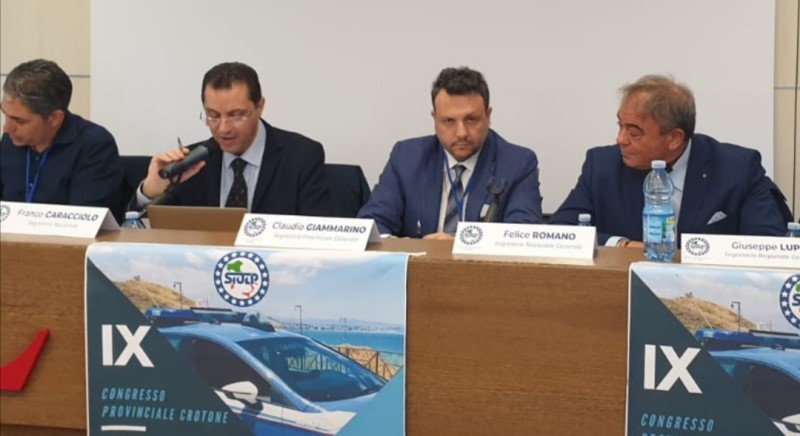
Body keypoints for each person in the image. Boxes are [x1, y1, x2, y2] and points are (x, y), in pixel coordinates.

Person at [549, 74, 790, 247]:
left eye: (633, 132)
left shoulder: (737, 169)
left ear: (674, 138)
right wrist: (621, 245)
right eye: (620, 126)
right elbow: (560, 232)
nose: (620, 139)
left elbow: (769, 247)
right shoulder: (602, 166)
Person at [357, 66, 543, 239]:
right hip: (419, 263)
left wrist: (460, 244)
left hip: (481, 265)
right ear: (434, 119)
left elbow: (522, 235)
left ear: (488, 116)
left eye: (471, 119)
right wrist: (406, 248)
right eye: (449, 121)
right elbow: (373, 222)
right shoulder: (406, 157)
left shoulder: (517, 164)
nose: (461, 133)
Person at [137, 62, 331, 216]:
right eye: (213, 116)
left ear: (260, 106)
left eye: (236, 115)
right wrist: (149, 192)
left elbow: (318, 233)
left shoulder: (301, 157)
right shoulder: (190, 164)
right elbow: (136, 229)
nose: (223, 128)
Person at [0, 59, 124, 218]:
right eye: (6, 115)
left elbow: (84, 220)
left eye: (19, 121)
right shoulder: (10, 141)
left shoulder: (95, 146)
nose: (6, 128)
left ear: (54, 118)